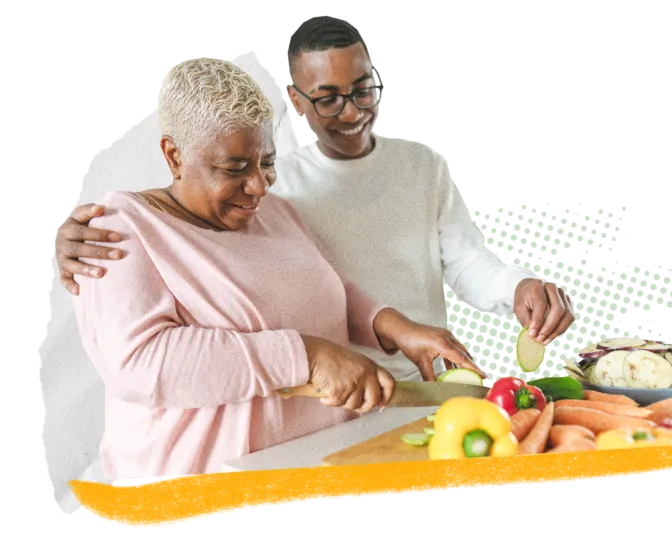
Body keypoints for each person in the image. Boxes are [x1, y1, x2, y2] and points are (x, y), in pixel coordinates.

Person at [55, 16, 576, 382]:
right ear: (295, 100)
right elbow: (191, 190)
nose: (350, 112)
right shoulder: (269, 179)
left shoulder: (420, 166)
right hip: (322, 390)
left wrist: (516, 285)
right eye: (326, 97)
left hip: (424, 374)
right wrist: (94, 228)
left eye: (363, 89)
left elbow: (465, 261)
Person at [70, 56, 482, 482]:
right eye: (235, 168)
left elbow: (323, 288)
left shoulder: (276, 212)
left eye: (266, 162)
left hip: (316, 472)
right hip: (200, 494)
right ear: (175, 156)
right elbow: (142, 365)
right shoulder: (114, 233)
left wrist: (392, 325)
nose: (259, 185)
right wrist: (308, 356)